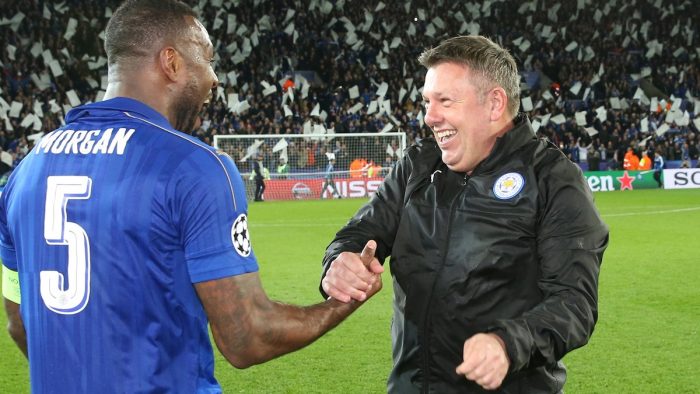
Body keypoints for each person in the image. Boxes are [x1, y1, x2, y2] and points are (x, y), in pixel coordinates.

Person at [0, 1, 381, 392]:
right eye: (208, 59)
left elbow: (19, 322)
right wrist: (342, 302)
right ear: (172, 62)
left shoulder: (25, 172)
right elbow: (246, 337)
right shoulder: (194, 167)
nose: (214, 78)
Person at [320, 35, 609, 393]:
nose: (429, 116)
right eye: (427, 101)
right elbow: (359, 234)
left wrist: (508, 343)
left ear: (494, 104)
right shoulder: (417, 165)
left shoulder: (553, 180)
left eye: (445, 101)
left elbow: (574, 303)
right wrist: (340, 261)